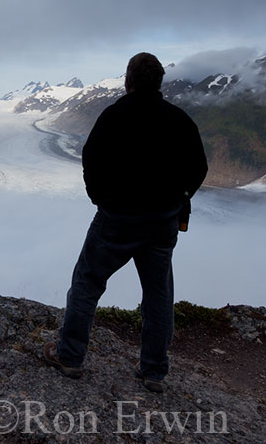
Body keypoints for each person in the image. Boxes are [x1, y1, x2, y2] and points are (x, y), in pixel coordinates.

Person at [44, 52, 208, 392]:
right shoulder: (179, 120)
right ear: (159, 83)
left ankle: (70, 357)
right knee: (158, 294)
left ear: (128, 81)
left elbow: (91, 159)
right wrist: (180, 197)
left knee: (87, 282)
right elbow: (199, 168)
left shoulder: (113, 116)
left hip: (116, 220)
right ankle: (153, 371)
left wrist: (99, 198)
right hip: (162, 223)